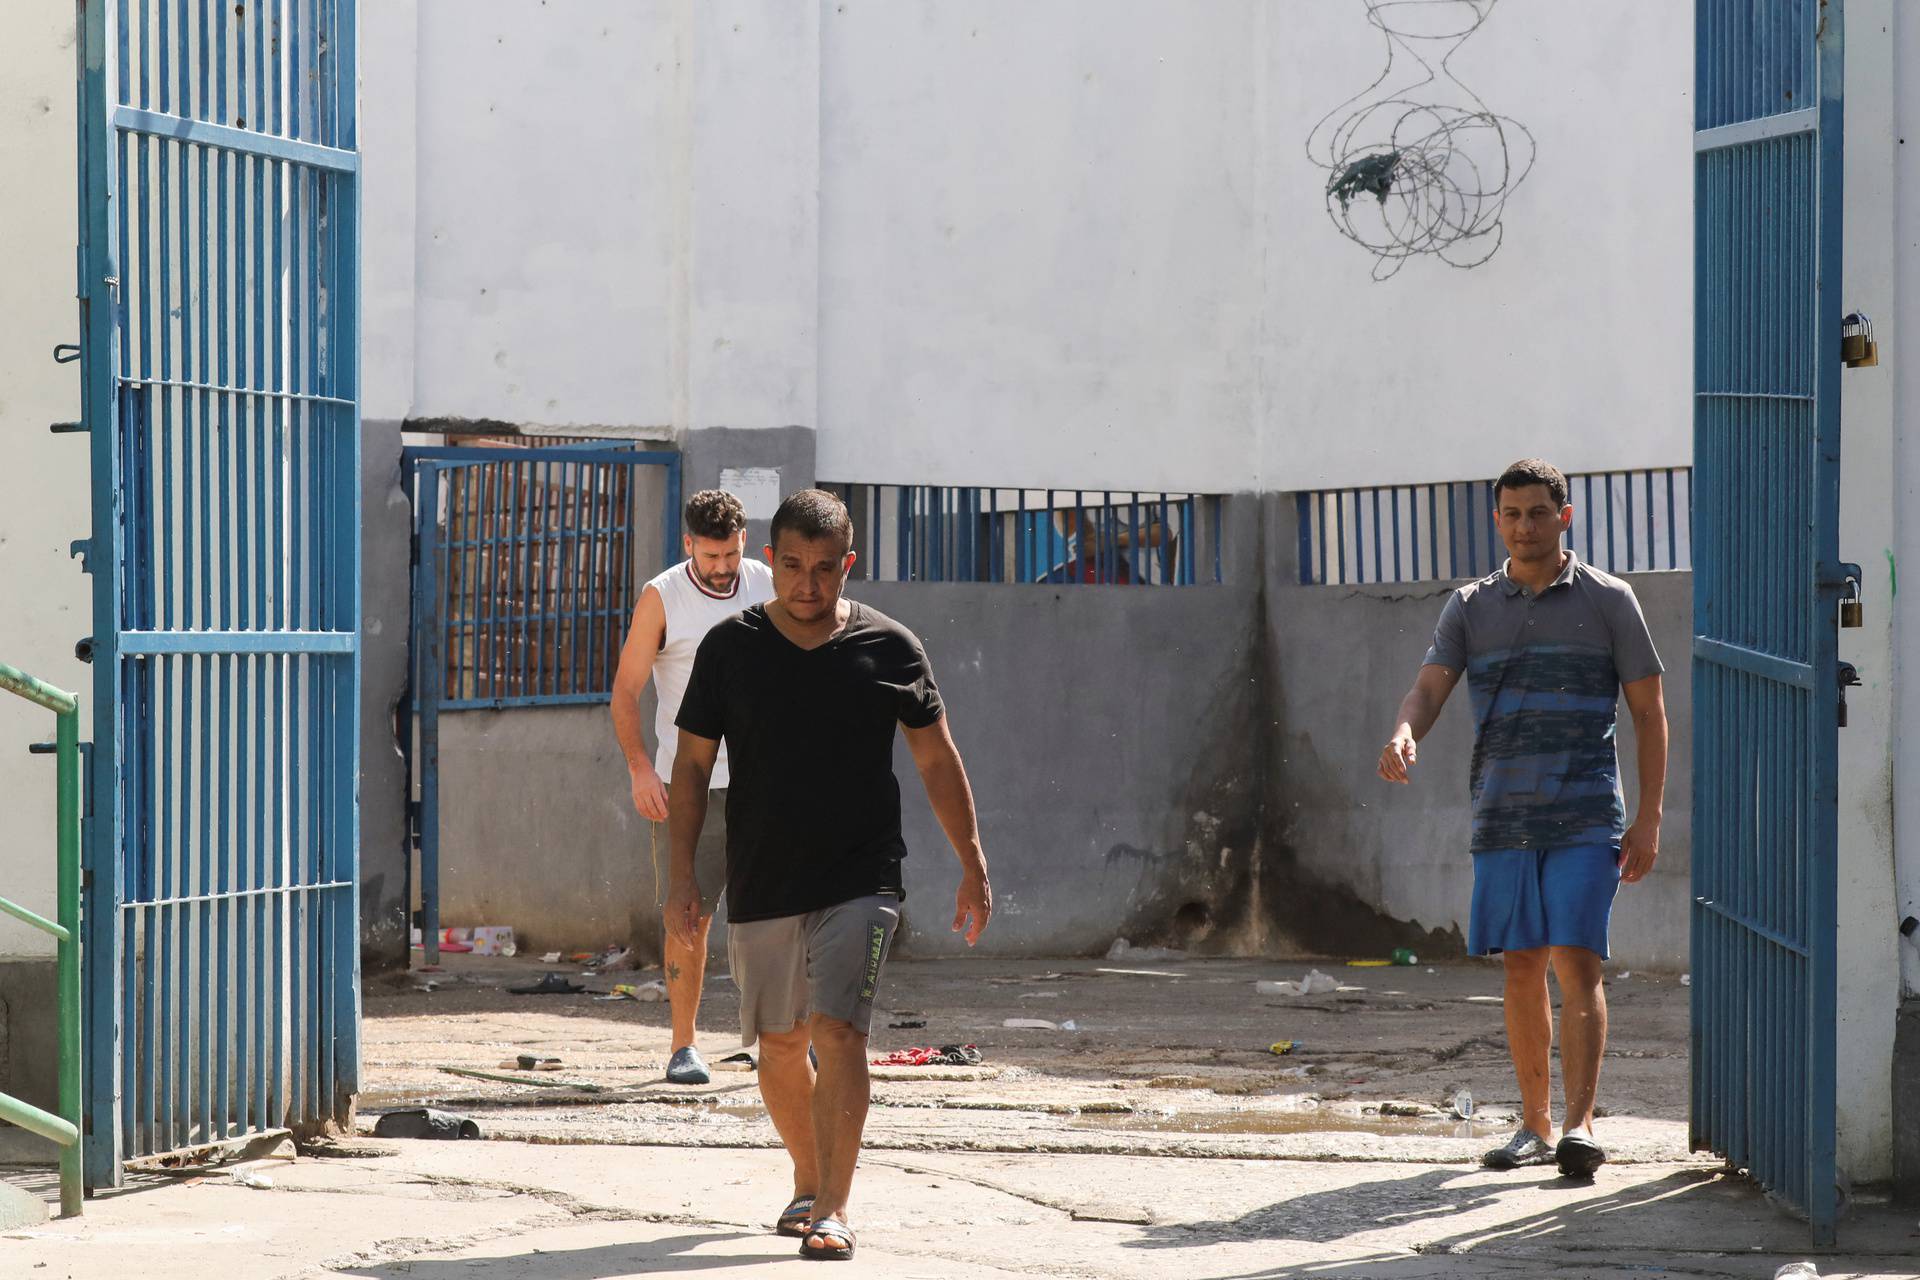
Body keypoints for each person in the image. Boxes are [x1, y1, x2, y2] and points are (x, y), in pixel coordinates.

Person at [667, 488, 992, 1261]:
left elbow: (937, 758)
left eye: (823, 570)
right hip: (762, 875)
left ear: (847, 565)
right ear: (768, 562)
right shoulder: (730, 648)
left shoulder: (890, 647)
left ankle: (835, 1209)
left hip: (862, 875)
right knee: (778, 1044)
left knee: (841, 1032)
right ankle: (809, 1182)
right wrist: (682, 874)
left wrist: (972, 860)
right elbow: (689, 764)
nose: (807, 586)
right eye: (790, 567)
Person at [1377, 458, 1667, 1179]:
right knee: (1519, 967)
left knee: (1577, 961)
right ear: (1497, 519)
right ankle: (1534, 1126)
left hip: (1585, 813)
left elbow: (1648, 711)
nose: (1523, 526)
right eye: (1511, 514)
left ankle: (1579, 1124)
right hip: (1503, 813)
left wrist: (1650, 818)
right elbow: (1428, 688)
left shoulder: (1609, 600)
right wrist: (1404, 731)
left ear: (1563, 517)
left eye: (1538, 513)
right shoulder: (1471, 606)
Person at [611, 488, 774, 1086]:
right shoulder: (662, 597)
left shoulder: (765, 582)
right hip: (691, 783)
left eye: (730, 554)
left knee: (777, 914)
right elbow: (625, 691)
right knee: (689, 916)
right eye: (710, 557)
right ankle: (683, 1047)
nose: (723, 568)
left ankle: (782, 1041)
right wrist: (639, 768)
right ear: (689, 547)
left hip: (765, 781)